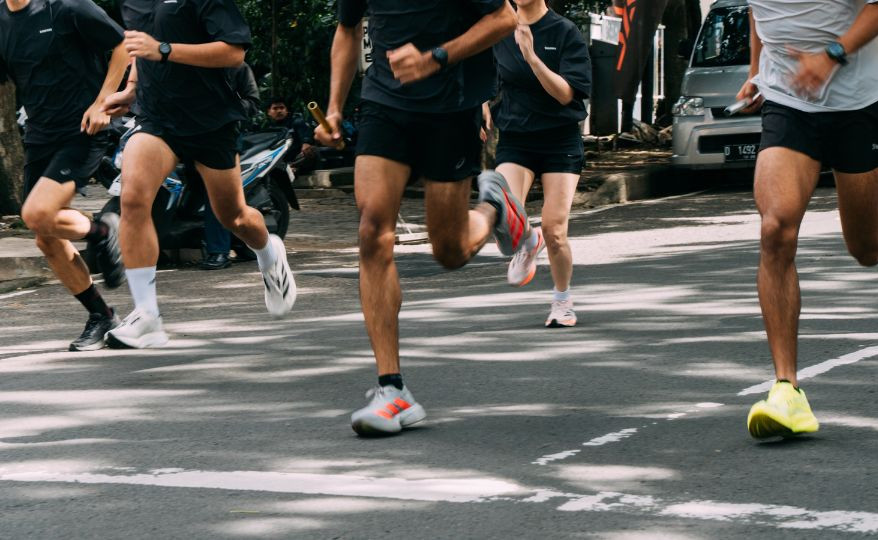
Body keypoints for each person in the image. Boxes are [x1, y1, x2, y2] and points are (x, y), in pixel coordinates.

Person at [315, 0, 525, 436]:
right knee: (372, 231)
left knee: (450, 251)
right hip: (384, 103)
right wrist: (334, 107)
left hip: (451, 108)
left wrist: (435, 58)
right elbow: (347, 29)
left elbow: (505, 17)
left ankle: (493, 205)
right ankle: (392, 389)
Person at [736, 0, 878, 439]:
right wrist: (755, 71)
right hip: (788, 98)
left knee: (866, 247)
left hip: (857, 100)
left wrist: (830, 56)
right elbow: (760, 11)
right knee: (775, 229)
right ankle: (786, 390)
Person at [101, 0, 296, 349]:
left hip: (211, 120)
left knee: (233, 216)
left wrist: (164, 50)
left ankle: (269, 252)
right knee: (132, 199)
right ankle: (147, 316)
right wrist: (131, 89)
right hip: (158, 119)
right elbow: (140, 48)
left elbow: (233, 52)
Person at [0, 0, 130, 351]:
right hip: (40, 135)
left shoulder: (67, 7)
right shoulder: (1, 20)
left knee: (36, 213)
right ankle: (102, 315)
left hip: (83, 130)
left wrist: (103, 102)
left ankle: (102, 231)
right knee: (45, 237)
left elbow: (122, 45)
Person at [487, 0, 590, 327]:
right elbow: (484, 74)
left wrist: (532, 57)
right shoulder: (500, 30)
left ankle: (562, 302)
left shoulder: (565, 32)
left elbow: (565, 94)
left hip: (559, 140)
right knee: (503, 211)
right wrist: (482, 104)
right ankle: (528, 242)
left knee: (555, 229)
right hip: (516, 138)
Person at [200, 62, 261, 271]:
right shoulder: (185, 63)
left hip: (223, 136)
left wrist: (224, 110)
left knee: (215, 192)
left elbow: (253, 102)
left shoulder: (237, 67)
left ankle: (219, 251)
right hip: (184, 133)